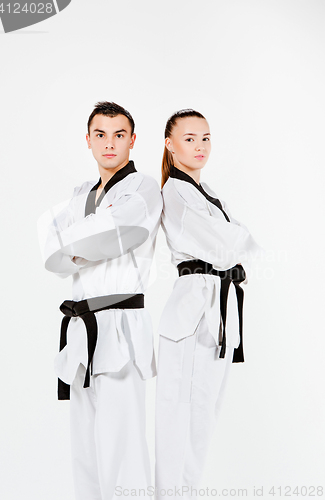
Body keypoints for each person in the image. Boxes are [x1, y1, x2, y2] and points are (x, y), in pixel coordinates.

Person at [38, 101, 162, 500]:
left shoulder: (142, 186)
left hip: (121, 328)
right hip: (80, 330)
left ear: (132, 140)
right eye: (100, 134)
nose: (109, 143)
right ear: (88, 141)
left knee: (122, 449)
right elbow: (50, 251)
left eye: (119, 134)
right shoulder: (79, 194)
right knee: (85, 451)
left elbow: (123, 231)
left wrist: (75, 244)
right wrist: (87, 240)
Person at [155, 109, 262, 499]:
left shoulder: (209, 192)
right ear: (170, 144)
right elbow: (226, 243)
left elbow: (238, 246)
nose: (200, 146)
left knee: (204, 415)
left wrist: (236, 244)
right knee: (178, 412)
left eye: (205, 138)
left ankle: (188, 493)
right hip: (191, 312)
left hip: (220, 311)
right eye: (189, 138)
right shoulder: (173, 191)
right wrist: (237, 243)